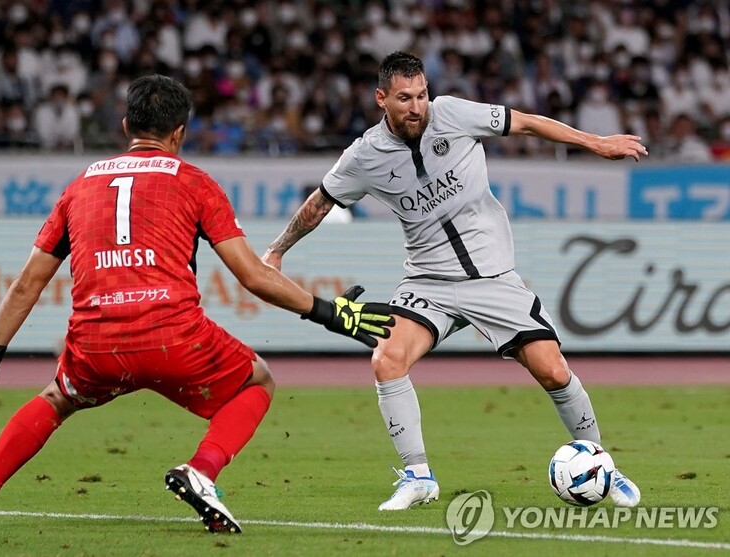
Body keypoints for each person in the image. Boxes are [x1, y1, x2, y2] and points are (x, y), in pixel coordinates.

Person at [0, 74, 393, 534]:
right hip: (174, 338)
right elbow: (253, 276)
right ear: (179, 133)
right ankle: (202, 469)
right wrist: (327, 311)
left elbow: (26, 285)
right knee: (257, 379)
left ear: (124, 125)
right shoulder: (195, 182)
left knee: (56, 398)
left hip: (97, 345)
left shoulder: (79, 186)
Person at [262, 51, 646, 511]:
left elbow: (525, 122)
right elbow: (321, 202)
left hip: (492, 277)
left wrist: (596, 142)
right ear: (381, 98)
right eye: (405, 98)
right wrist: (278, 249)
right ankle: (418, 476)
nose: (417, 106)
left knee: (553, 370)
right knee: (387, 359)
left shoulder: (453, 114)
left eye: (422, 95)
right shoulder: (364, 155)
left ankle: (601, 462)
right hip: (428, 283)